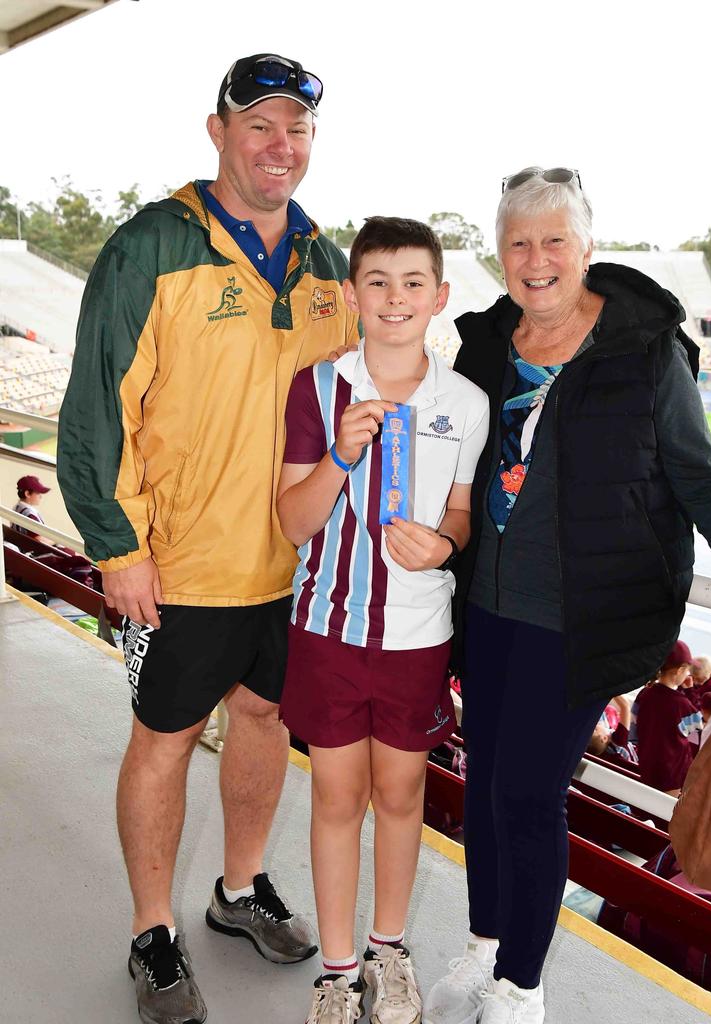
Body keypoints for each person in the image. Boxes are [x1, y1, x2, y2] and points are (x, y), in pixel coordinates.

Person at [422, 166, 711, 1024]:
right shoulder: (485, 344)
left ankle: (523, 987)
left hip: (581, 621)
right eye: (518, 242)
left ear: (586, 247)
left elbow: (702, 480)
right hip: (487, 609)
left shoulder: (644, 351)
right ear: (498, 253)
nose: (536, 259)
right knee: (487, 783)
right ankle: (485, 944)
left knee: (530, 796)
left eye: (554, 241)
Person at [57, 52, 359, 1024]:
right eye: (261, 125)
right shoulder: (153, 245)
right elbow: (97, 405)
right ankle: (154, 929)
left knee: (266, 722)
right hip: (181, 561)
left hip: (292, 567)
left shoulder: (323, 265)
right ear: (218, 130)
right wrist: (118, 543)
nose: (281, 146)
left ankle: (237, 889)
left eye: (298, 129)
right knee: (165, 737)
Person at [277, 217, 489, 1024]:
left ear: (438, 297)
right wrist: (340, 455)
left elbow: (462, 516)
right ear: (353, 295)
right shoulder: (318, 386)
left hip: (415, 638)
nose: (395, 299)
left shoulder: (463, 403)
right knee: (335, 797)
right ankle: (336, 973)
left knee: (401, 796)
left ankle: (387, 953)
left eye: (412, 284)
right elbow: (293, 523)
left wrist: (443, 545)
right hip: (328, 632)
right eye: (377, 282)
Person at [635, 641, 702, 794]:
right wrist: (690, 692)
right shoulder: (683, 705)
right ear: (679, 671)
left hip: (647, 768)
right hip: (673, 777)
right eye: (687, 671)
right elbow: (696, 739)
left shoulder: (644, 694)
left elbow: (634, 732)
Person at [586, 695, 638, 767]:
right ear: (604, 738)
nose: (595, 725)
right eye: (595, 729)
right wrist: (612, 691)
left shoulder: (600, 751)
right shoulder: (618, 741)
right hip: (638, 754)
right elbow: (625, 706)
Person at [13, 474, 49, 541]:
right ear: (27, 494)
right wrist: (57, 540)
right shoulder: (29, 514)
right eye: (38, 493)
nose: (40, 497)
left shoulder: (17, 507)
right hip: (33, 549)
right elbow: (39, 540)